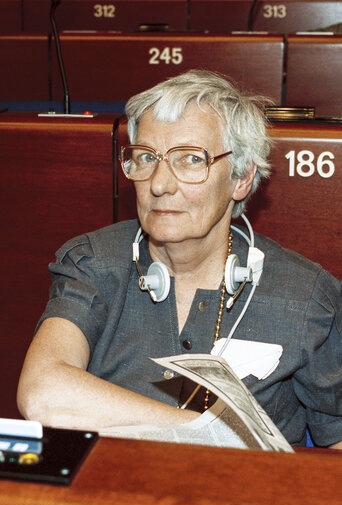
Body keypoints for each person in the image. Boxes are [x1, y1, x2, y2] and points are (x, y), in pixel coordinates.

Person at [17, 70, 342, 448]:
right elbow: (42, 391)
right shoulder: (92, 263)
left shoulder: (305, 296)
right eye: (146, 157)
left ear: (240, 178)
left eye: (191, 159)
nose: (159, 184)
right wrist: (215, 436)